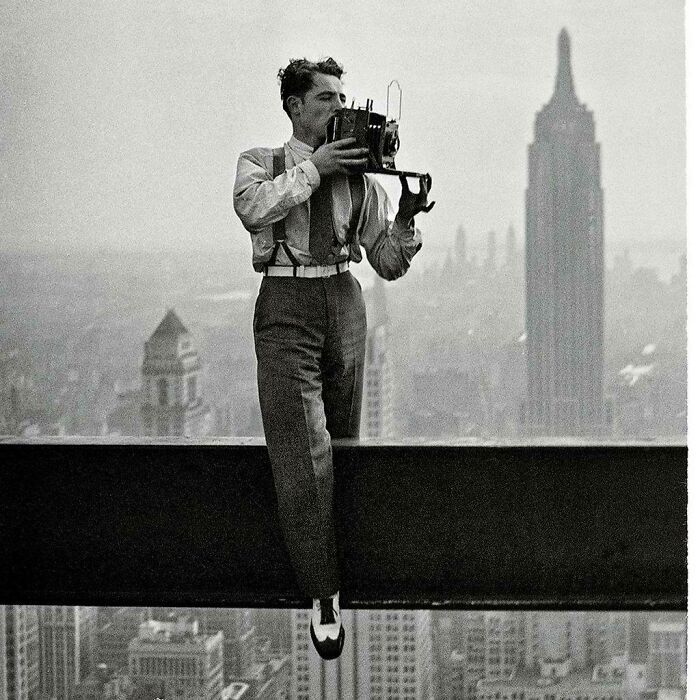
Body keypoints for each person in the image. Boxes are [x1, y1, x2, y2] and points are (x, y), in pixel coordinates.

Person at [233, 57, 433, 660]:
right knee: (304, 452)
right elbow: (253, 208)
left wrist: (404, 216)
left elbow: (388, 264)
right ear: (295, 107)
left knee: (343, 445)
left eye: (342, 97)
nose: (339, 108)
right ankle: (324, 592)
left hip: (345, 301)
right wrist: (314, 168)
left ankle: (343, 563)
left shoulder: (360, 181)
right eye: (325, 99)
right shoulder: (261, 163)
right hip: (286, 300)